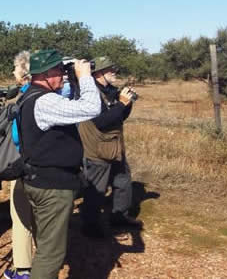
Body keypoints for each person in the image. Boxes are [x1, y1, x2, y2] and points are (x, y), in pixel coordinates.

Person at [17, 50, 101, 279]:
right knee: (51, 253)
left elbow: (72, 107)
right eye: (59, 71)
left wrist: (75, 81)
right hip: (52, 187)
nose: (63, 75)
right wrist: (85, 76)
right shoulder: (45, 101)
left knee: (46, 244)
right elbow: (92, 108)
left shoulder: (32, 96)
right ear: (44, 74)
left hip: (39, 181)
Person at [78, 56, 142, 238]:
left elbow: (119, 117)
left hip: (114, 146)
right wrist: (121, 103)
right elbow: (102, 121)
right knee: (96, 189)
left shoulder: (111, 91)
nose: (114, 73)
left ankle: (119, 216)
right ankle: (90, 226)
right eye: (109, 70)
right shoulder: (90, 94)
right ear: (98, 73)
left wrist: (127, 104)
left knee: (123, 181)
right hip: (97, 149)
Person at [4, 51, 34, 279]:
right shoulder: (50, 94)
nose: (13, 72)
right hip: (44, 167)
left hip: (23, 163)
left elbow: (16, 136)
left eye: (15, 68)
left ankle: (23, 269)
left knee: (21, 216)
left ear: (23, 72)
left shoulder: (24, 97)